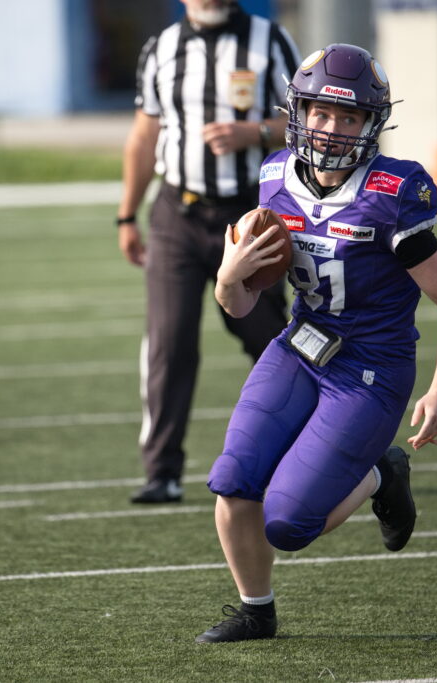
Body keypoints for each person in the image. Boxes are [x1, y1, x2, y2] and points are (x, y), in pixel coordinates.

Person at [195, 43, 437, 643]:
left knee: (289, 524)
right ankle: (256, 610)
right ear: (298, 112)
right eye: (320, 112)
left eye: (348, 117)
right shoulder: (275, 178)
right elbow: (240, 307)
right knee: (233, 481)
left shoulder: (392, 192)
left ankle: (380, 475)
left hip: (370, 369)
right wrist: (228, 277)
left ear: (371, 125)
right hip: (299, 348)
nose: (331, 128)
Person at [117, 0, 300, 504]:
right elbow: (144, 135)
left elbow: (307, 124)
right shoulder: (161, 47)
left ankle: (302, 453)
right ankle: (162, 472)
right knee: (169, 340)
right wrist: (127, 214)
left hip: (248, 214)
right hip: (176, 213)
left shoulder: (271, 40)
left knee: (268, 337)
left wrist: (254, 133)